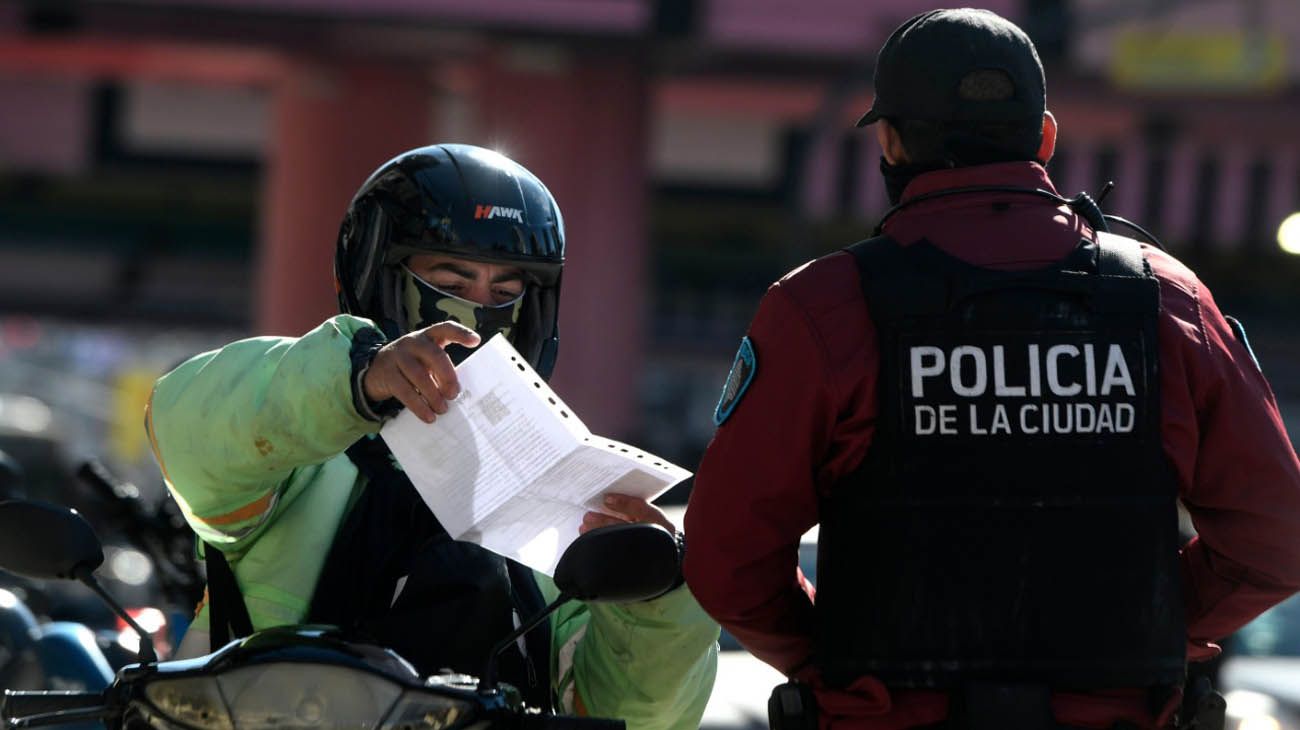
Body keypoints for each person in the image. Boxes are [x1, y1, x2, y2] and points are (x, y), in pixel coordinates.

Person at [683, 8, 1300, 730]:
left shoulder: (819, 308)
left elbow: (727, 560)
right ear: (1044, 137)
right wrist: (1146, 623)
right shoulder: (1167, 300)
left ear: (888, 140)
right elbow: (1278, 538)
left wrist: (836, 659)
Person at [147, 144, 718, 730]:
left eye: (504, 295)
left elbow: (633, 719)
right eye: (451, 281)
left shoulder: (563, 495)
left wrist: (656, 600)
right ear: (380, 279)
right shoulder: (300, 456)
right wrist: (358, 380)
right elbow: (187, 422)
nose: (474, 318)